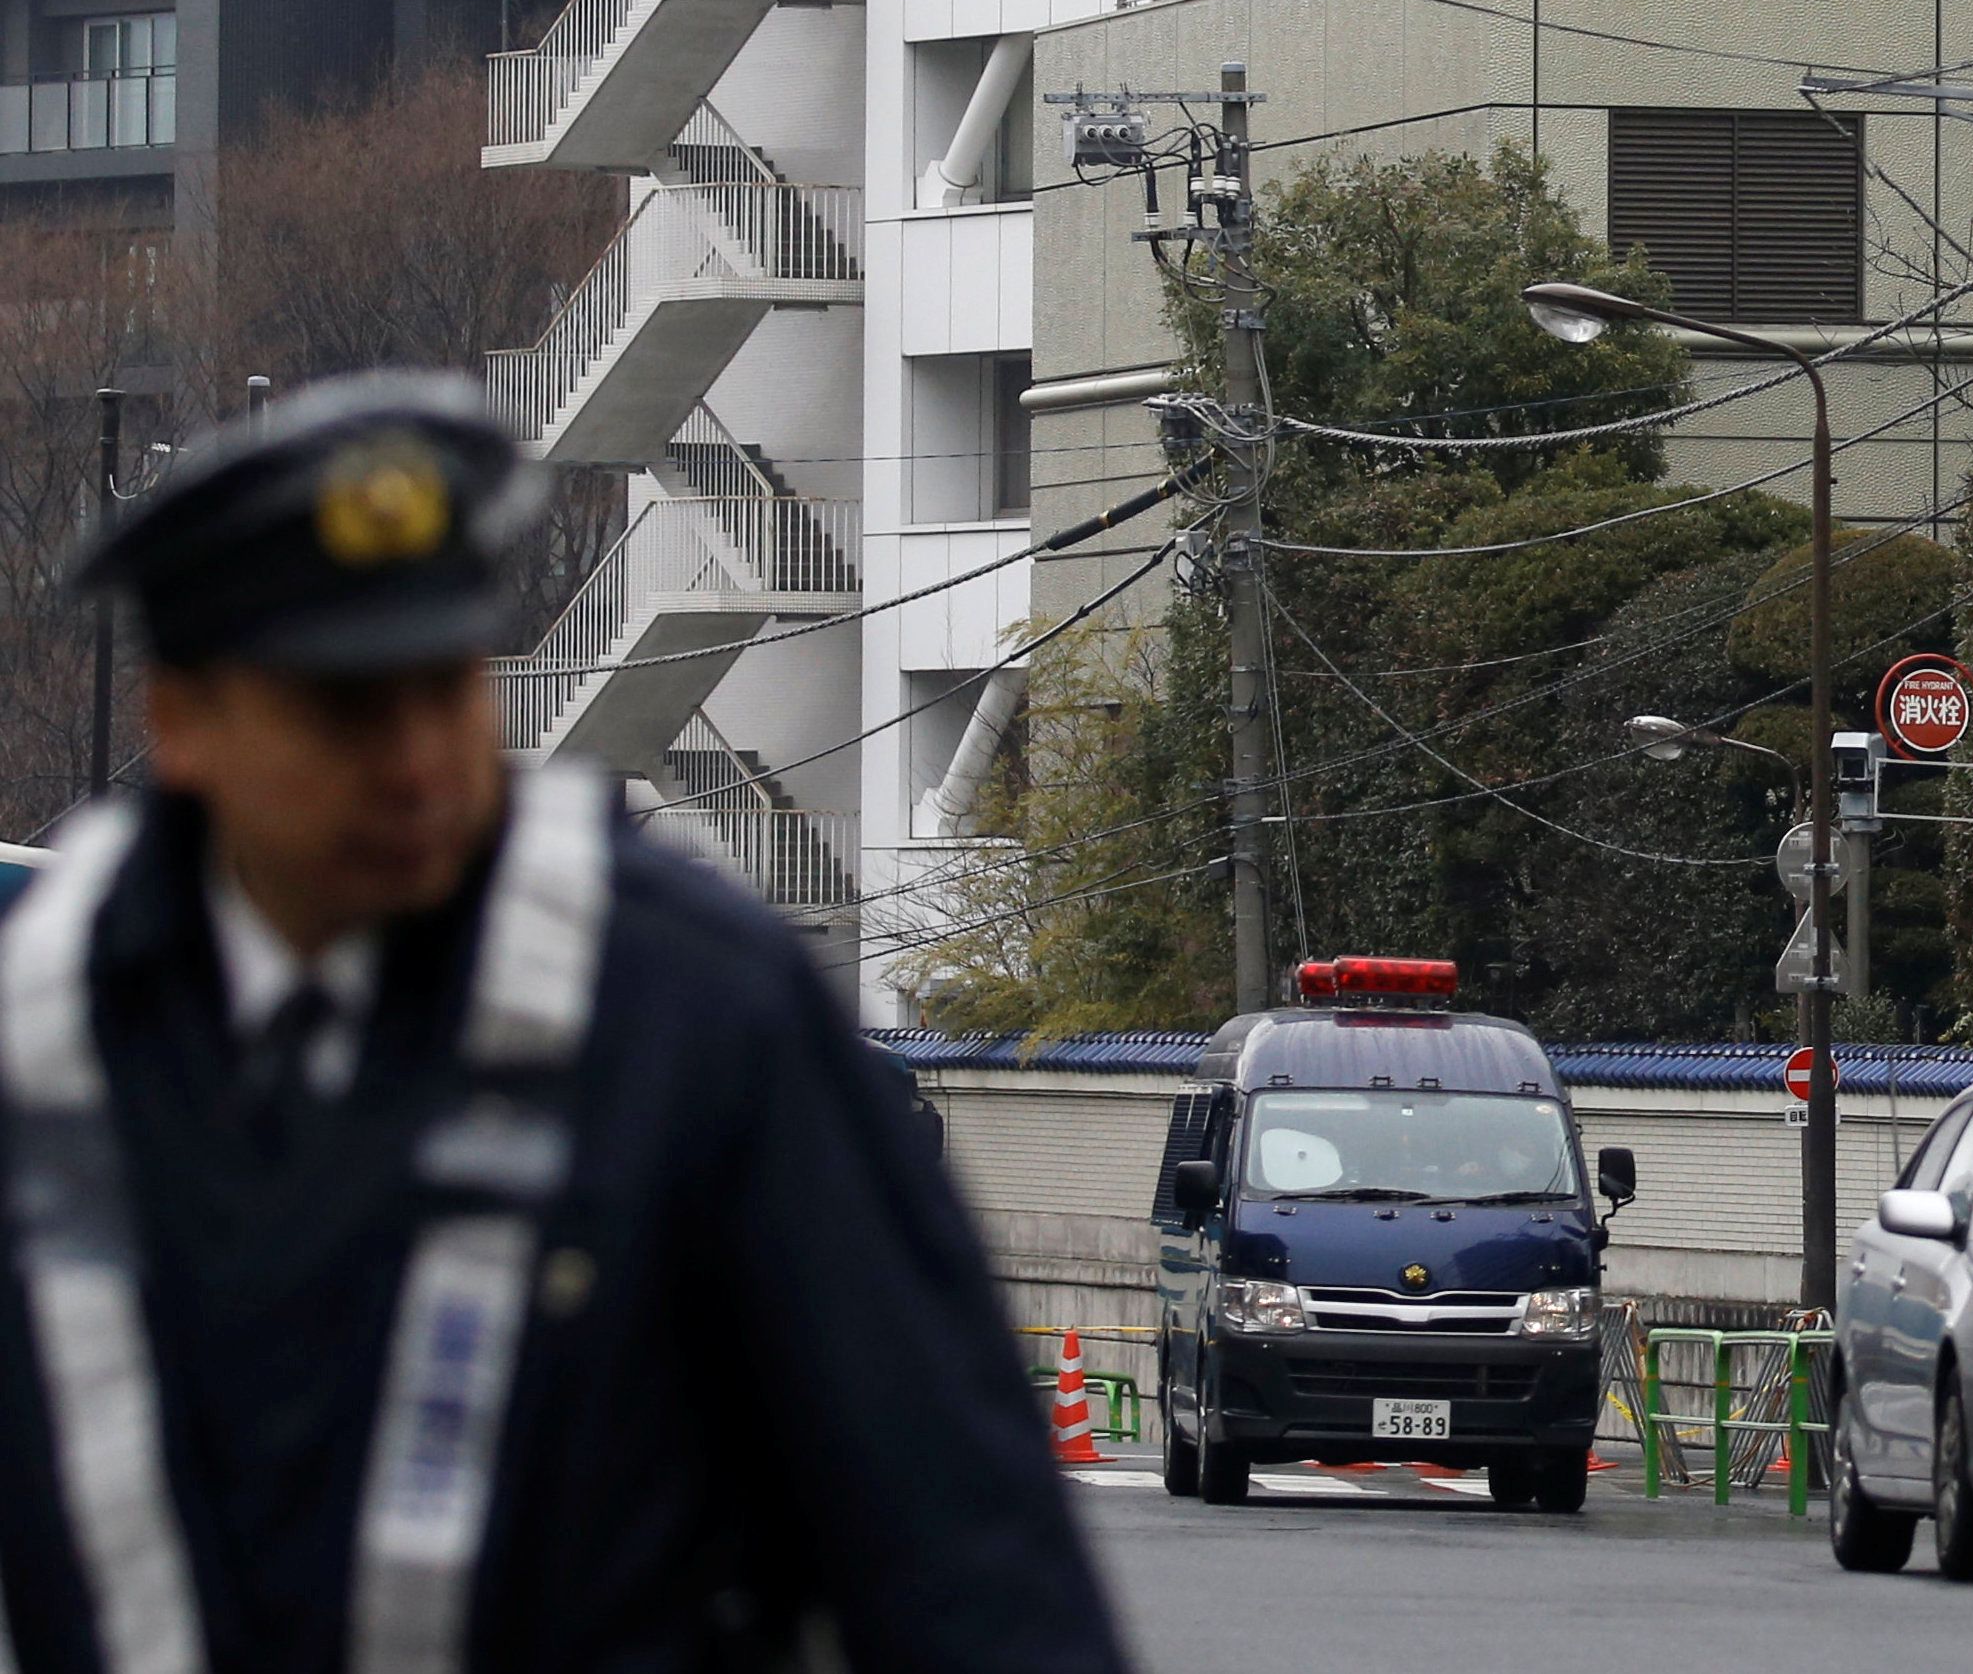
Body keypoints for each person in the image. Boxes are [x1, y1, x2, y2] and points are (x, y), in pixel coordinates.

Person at [0, 371, 1130, 1674]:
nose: (420, 758)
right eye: (350, 707)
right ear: (181, 722)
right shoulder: (52, 1041)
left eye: (449, 683)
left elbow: (965, 1559)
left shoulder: (692, 1014)